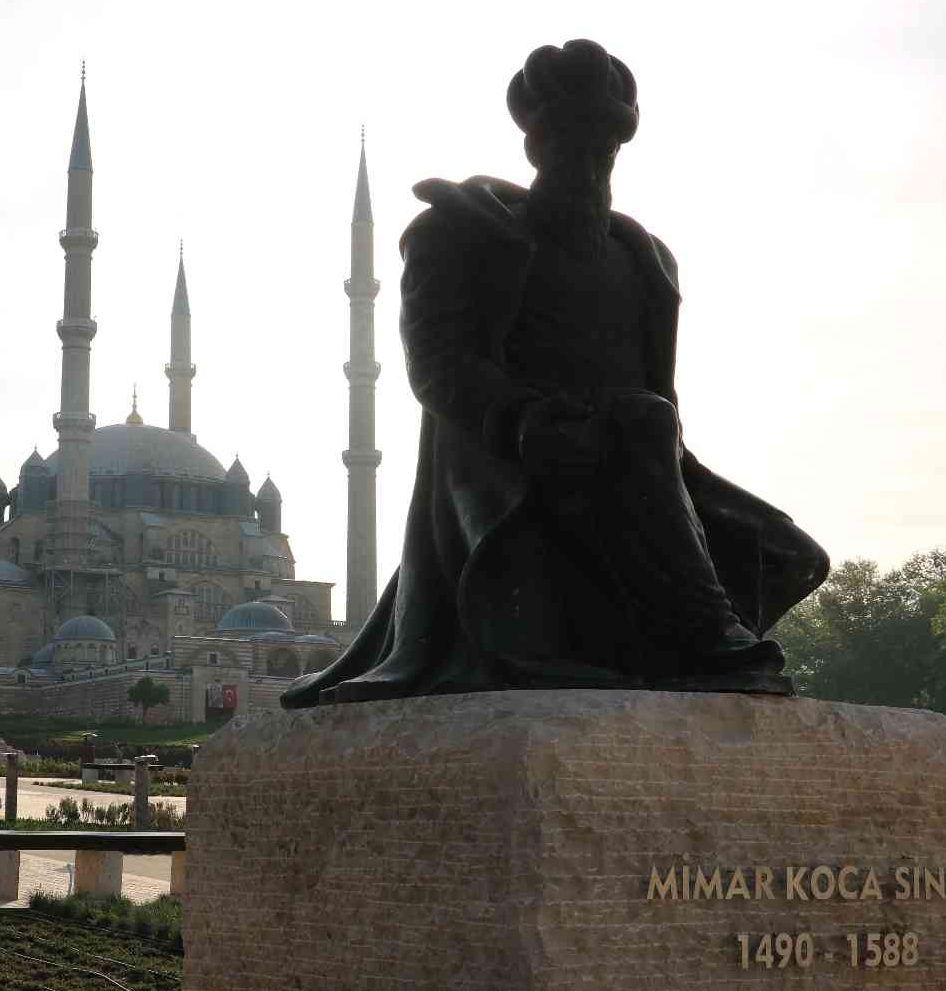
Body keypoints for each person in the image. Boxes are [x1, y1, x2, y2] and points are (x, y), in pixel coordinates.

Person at [283, 39, 828, 709]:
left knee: (789, 555)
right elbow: (438, 361)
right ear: (539, 148)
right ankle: (705, 634)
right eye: (573, 144)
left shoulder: (643, 258)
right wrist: (518, 418)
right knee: (638, 423)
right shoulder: (459, 233)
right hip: (509, 461)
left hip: (637, 462)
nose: (589, 162)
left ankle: (677, 641)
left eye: (601, 148)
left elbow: (659, 395)